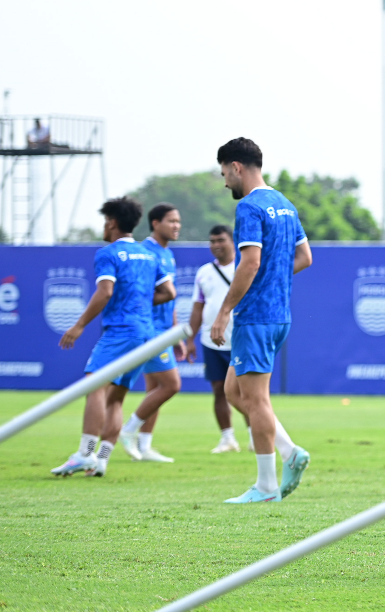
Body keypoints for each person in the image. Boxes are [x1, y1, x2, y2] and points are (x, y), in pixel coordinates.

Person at [210, 137, 313, 503]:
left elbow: (250, 262)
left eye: (224, 173)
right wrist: (276, 279)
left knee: (255, 400)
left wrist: (223, 312)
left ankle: (267, 487)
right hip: (278, 314)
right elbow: (305, 257)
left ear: (236, 167)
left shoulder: (250, 208)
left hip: (256, 317)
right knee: (233, 392)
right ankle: (290, 452)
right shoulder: (285, 204)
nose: (225, 182)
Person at [50, 197, 175, 477]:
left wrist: (79, 325)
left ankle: (85, 453)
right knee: (116, 398)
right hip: (145, 334)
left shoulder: (108, 253)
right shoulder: (149, 254)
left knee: (94, 386)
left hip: (120, 331)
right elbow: (169, 293)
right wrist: (139, 301)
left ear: (112, 222)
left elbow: (105, 291)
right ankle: (103, 459)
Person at [117, 204, 185, 463]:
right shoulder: (146, 252)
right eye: (171, 221)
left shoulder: (168, 253)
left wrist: (175, 333)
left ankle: (144, 447)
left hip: (163, 330)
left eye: (178, 221)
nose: (177, 226)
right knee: (171, 385)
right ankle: (128, 429)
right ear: (155, 223)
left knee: (155, 387)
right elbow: (140, 294)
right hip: (149, 329)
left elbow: (171, 296)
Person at [185, 224, 249, 453]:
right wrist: (190, 339)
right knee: (219, 389)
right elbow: (197, 308)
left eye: (221, 240)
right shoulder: (204, 272)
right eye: (212, 241)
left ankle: (255, 434)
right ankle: (227, 438)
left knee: (248, 391)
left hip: (241, 338)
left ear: (233, 241)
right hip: (210, 340)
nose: (216, 245)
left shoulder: (245, 266)